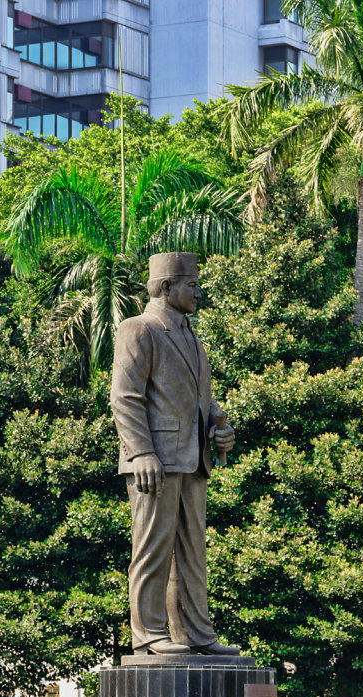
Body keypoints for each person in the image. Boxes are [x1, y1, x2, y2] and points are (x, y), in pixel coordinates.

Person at [110, 252, 238, 656]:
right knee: (152, 549)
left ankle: (196, 634)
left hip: (193, 459)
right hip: (155, 462)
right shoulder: (139, 329)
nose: (197, 293)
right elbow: (125, 398)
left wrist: (220, 428)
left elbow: (202, 401)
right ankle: (148, 633)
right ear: (167, 287)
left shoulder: (191, 337)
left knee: (192, 553)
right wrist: (142, 452)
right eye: (191, 285)